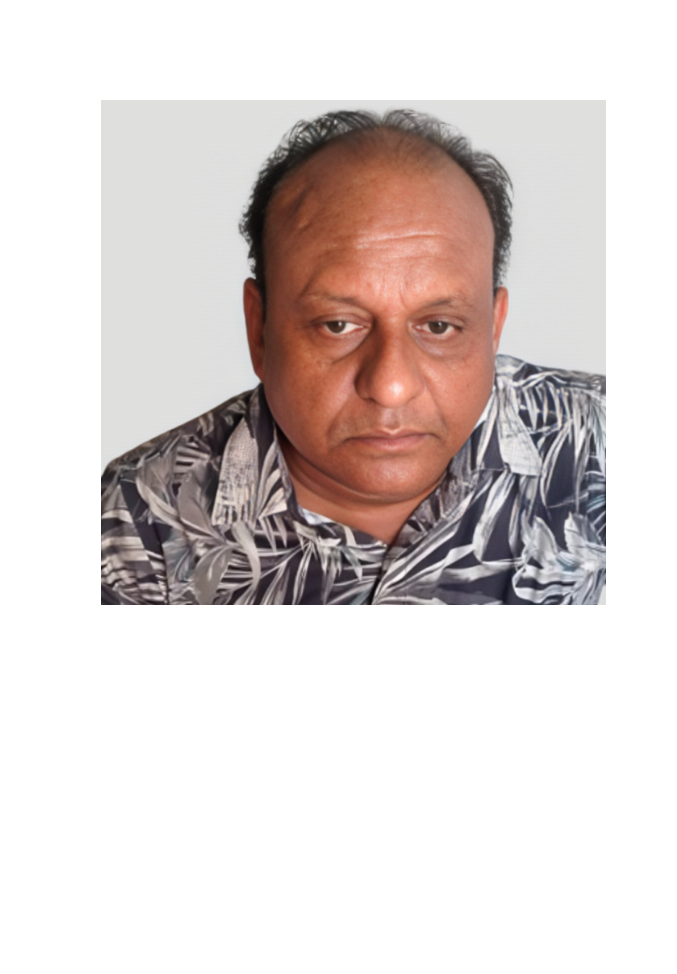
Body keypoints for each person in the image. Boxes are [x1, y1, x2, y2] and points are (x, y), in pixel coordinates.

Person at [101, 110, 605, 605]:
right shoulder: (139, 521)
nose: (390, 386)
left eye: (438, 326)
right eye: (338, 325)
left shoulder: (594, 441)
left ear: (493, 328)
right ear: (259, 328)